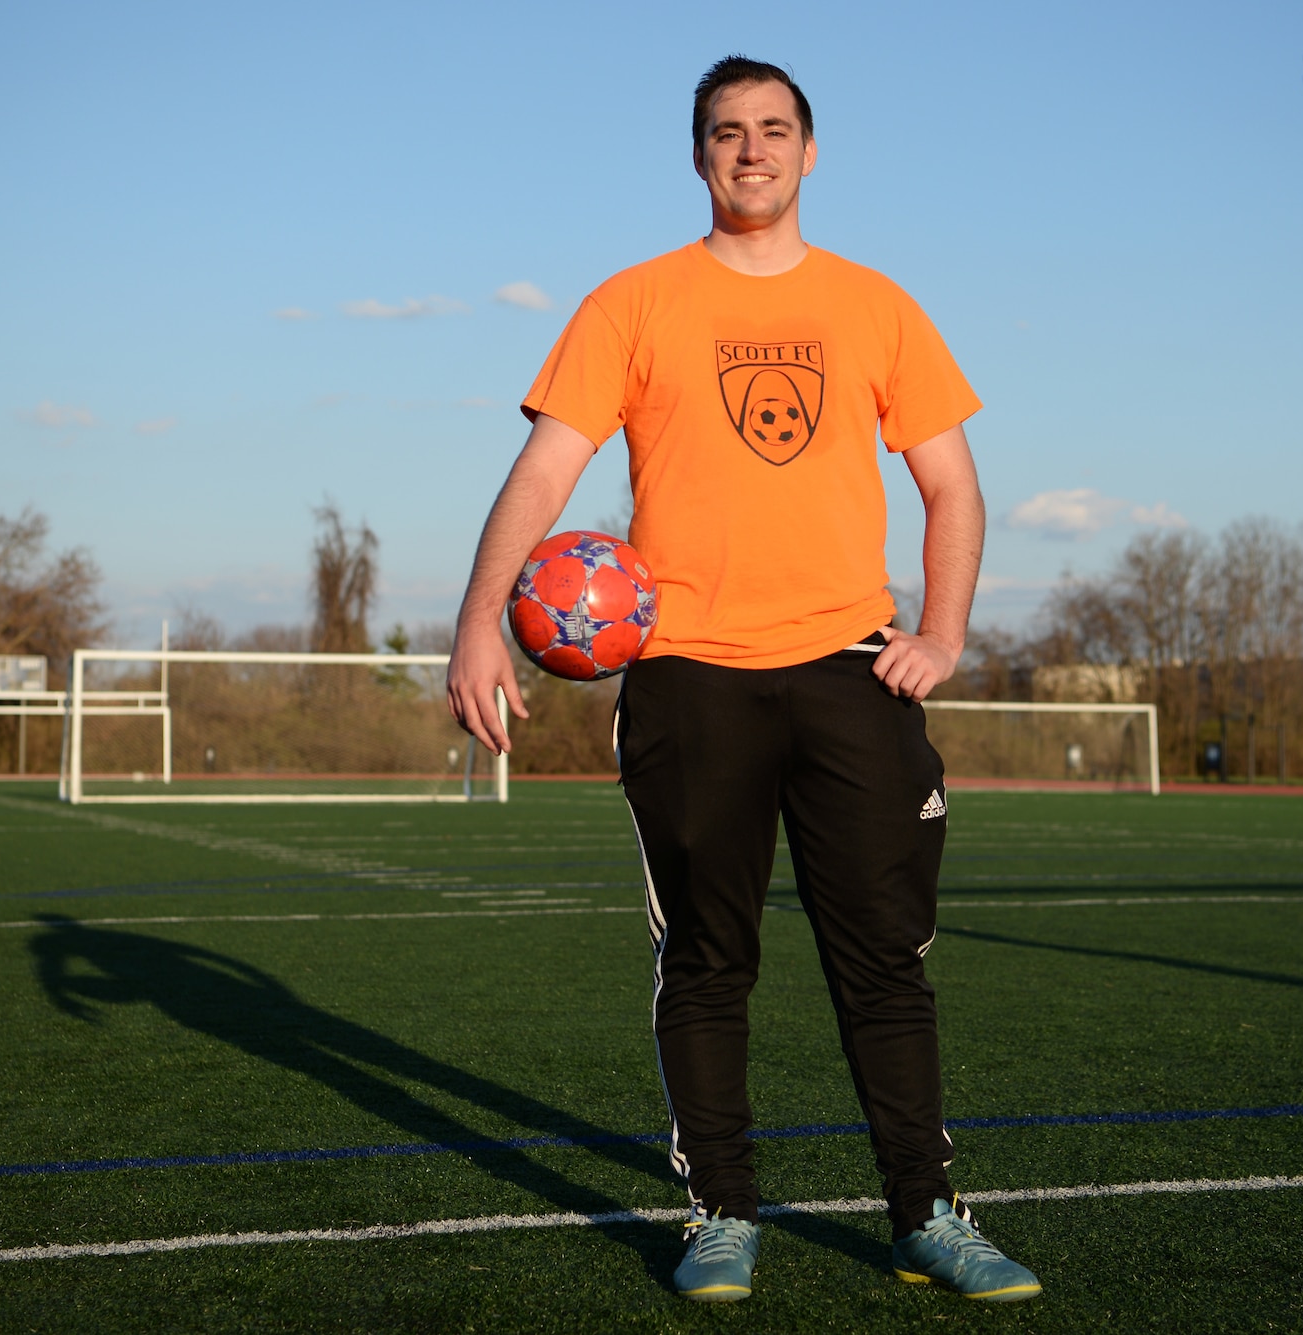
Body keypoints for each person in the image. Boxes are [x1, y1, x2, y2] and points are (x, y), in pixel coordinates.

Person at [444, 54, 1039, 1306]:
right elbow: (547, 475)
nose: (751, 150)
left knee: (882, 959)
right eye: (727, 132)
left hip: (848, 674)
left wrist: (943, 629)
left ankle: (928, 1214)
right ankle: (720, 1213)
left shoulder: (875, 305)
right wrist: (477, 625)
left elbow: (951, 482)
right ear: (699, 155)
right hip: (685, 679)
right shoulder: (634, 303)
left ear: (810, 153)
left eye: (774, 130)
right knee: (707, 962)